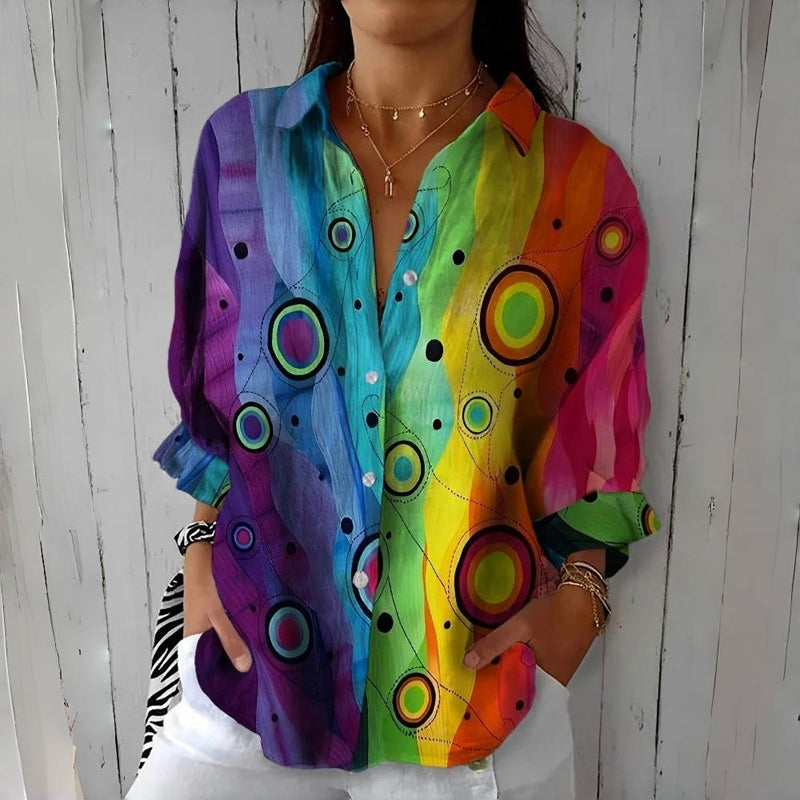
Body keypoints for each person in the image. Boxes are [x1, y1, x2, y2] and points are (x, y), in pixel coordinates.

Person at [124, 1, 661, 798]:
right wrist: (200, 545)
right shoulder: (245, 149)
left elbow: (593, 442)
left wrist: (578, 607)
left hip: (475, 709)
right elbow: (222, 402)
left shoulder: (573, 181)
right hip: (254, 682)